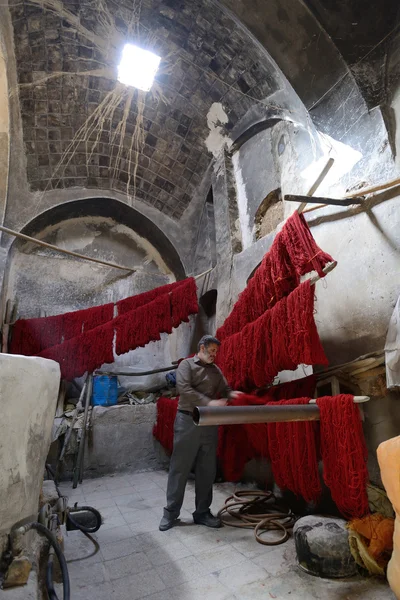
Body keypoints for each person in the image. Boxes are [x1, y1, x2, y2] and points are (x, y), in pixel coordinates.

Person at [159, 335, 242, 531]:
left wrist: (233, 394)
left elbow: (225, 388)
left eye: (216, 352)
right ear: (202, 348)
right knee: (180, 468)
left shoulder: (216, 371)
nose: (214, 355)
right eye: (211, 350)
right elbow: (184, 389)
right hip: (188, 420)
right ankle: (170, 513)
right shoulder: (186, 365)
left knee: (207, 469)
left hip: (209, 422)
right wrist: (209, 402)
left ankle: (202, 512)